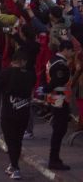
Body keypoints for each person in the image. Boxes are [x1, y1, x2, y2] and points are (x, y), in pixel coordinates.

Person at [0, 50, 34, 179]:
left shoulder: (6, 73)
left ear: (14, 60)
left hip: (9, 112)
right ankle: (13, 164)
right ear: (23, 61)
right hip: (24, 113)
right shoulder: (30, 75)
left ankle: (15, 168)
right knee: (18, 140)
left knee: (10, 141)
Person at [45, 41, 74, 171]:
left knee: (59, 129)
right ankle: (54, 159)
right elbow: (56, 81)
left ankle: (55, 158)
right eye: (71, 51)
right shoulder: (60, 64)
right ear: (65, 50)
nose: (72, 53)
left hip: (56, 98)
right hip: (59, 99)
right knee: (59, 130)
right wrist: (46, 89)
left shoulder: (53, 60)